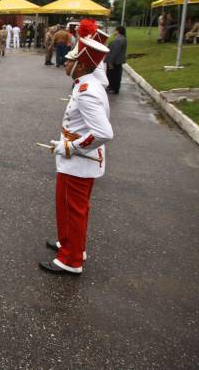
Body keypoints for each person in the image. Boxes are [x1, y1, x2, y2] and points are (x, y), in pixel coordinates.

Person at [40, 36, 113, 275]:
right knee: (67, 206)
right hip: (76, 159)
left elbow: (103, 132)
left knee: (74, 209)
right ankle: (70, 244)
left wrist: (71, 147)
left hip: (79, 161)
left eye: (71, 60)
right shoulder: (88, 82)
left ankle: (71, 261)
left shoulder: (86, 91)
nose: (65, 62)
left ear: (81, 65)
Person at [106, 26, 127, 94]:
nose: (114, 32)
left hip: (115, 61)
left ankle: (114, 88)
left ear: (118, 31)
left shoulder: (118, 40)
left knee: (114, 75)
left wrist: (110, 62)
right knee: (112, 74)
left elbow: (115, 52)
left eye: (115, 30)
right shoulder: (122, 38)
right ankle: (111, 87)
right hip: (117, 61)